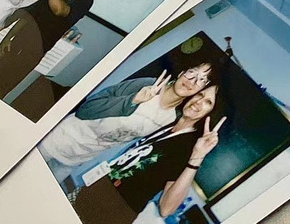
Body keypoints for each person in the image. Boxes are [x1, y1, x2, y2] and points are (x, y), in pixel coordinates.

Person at [70, 86, 225, 224]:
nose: (198, 102)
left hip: (106, 217)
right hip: (89, 193)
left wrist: (198, 157)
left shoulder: (189, 148)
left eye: (208, 102)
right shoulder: (169, 123)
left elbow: (166, 209)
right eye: (200, 94)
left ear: (210, 114)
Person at [40, 61, 219, 165]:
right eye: (192, 73)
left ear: (200, 90)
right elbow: (86, 110)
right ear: (181, 73)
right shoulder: (148, 85)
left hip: (77, 160)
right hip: (58, 141)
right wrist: (132, 101)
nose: (192, 81)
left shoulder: (172, 118)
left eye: (201, 80)